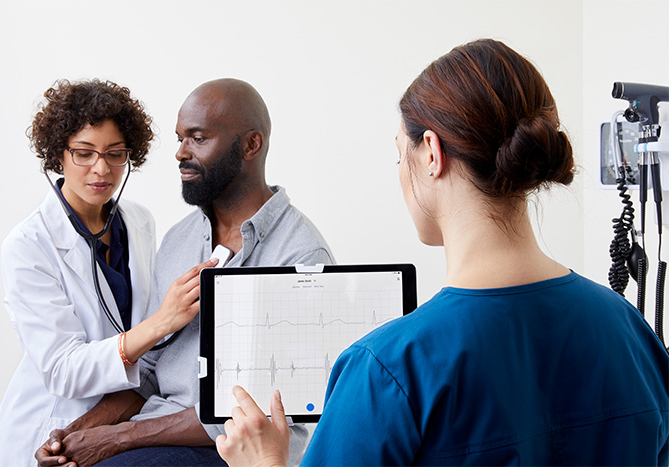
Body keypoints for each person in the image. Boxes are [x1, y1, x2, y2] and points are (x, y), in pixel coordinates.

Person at [215, 39, 669, 466]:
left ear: (431, 152)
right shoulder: (630, 331)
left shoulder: (386, 371)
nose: (399, 173)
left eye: (399, 155)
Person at [35, 78, 334, 467]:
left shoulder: (302, 255)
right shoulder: (179, 240)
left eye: (197, 138)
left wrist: (119, 437)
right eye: (180, 139)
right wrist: (76, 433)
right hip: (156, 436)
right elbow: (149, 375)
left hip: (234, 449)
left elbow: (257, 412)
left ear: (250, 145)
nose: (180, 153)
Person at [0, 79, 217, 467]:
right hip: (53, 426)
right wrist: (161, 322)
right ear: (57, 154)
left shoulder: (139, 222)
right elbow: (63, 370)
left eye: (115, 154)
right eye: (84, 153)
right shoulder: (28, 245)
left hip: (119, 422)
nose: (101, 169)